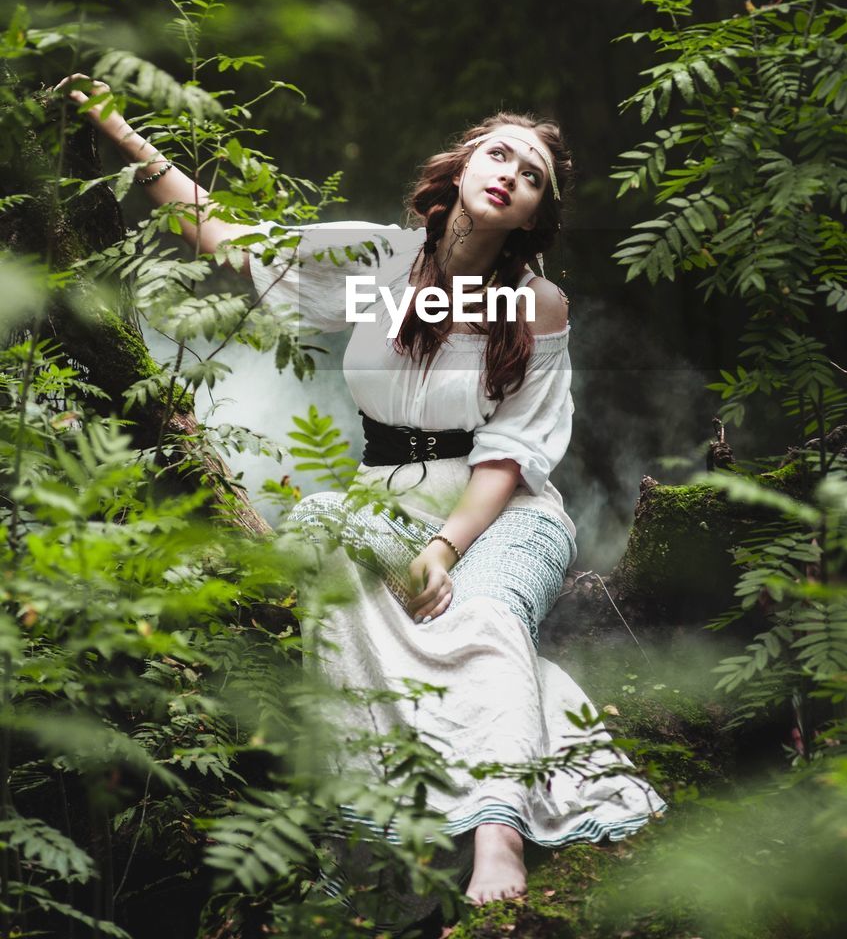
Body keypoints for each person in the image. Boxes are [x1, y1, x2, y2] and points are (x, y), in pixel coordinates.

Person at [60, 75, 665, 916]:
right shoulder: (377, 267)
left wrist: (445, 548)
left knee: (482, 621)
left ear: (533, 215)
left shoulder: (534, 305)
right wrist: (122, 134)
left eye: (531, 176)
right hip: (385, 496)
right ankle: (373, 827)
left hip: (507, 511)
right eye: (498, 154)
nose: (510, 174)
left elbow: (513, 451)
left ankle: (498, 826)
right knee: (324, 542)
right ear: (458, 170)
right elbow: (233, 237)